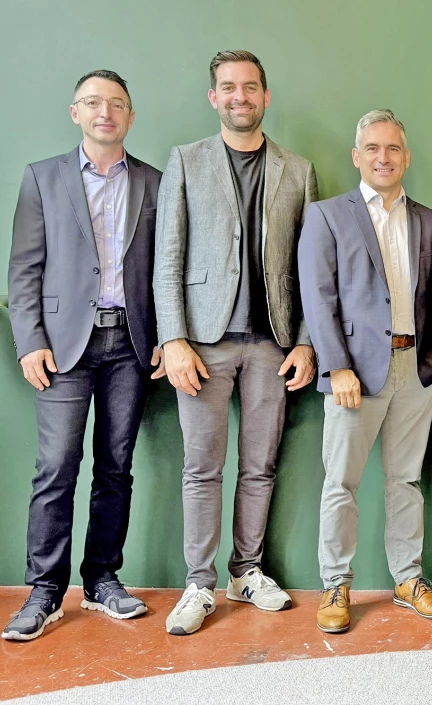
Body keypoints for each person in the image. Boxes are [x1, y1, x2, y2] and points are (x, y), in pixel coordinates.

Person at [154, 50, 318, 636]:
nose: (240, 96)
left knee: (261, 466)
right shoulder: (185, 160)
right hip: (203, 343)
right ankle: (198, 583)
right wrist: (172, 338)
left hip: (272, 345)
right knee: (201, 468)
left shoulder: (297, 170)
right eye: (229, 87)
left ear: (266, 96)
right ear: (214, 97)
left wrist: (303, 341)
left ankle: (246, 571)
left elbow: (308, 268)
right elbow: (166, 258)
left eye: (250, 87)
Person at [3, 70, 163, 641]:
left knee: (116, 468)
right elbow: (23, 270)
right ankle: (44, 592)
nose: (105, 112)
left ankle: (102, 581)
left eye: (117, 103)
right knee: (55, 470)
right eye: (94, 103)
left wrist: (167, 338)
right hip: (64, 347)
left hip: (132, 345)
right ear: (76, 112)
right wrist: (31, 341)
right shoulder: (42, 179)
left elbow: (166, 274)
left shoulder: (154, 182)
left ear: (130, 116)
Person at [299, 109, 432, 633]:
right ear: (356, 156)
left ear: (406, 157)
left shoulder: (429, 220)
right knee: (341, 482)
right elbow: (317, 300)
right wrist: (337, 366)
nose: (383, 158)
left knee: (406, 480)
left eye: (393, 149)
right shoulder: (327, 216)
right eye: (373, 149)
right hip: (354, 376)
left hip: (417, 369)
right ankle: (335, 584)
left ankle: (408, 579)